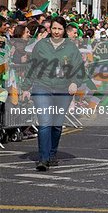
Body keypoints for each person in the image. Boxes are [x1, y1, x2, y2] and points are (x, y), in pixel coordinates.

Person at [21, 17, 84, 171]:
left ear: (64, 31)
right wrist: (26, 87)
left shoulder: (71, 48)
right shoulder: (41, 45)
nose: (56, 32)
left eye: (59, 29)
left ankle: (52, 154)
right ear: (50, 30)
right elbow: (32, 67)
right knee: (45, 122)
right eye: (54, 29)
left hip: (63, 89)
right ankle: (43, 159)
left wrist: (75, 82)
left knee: (56, 125)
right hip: (42, 87)